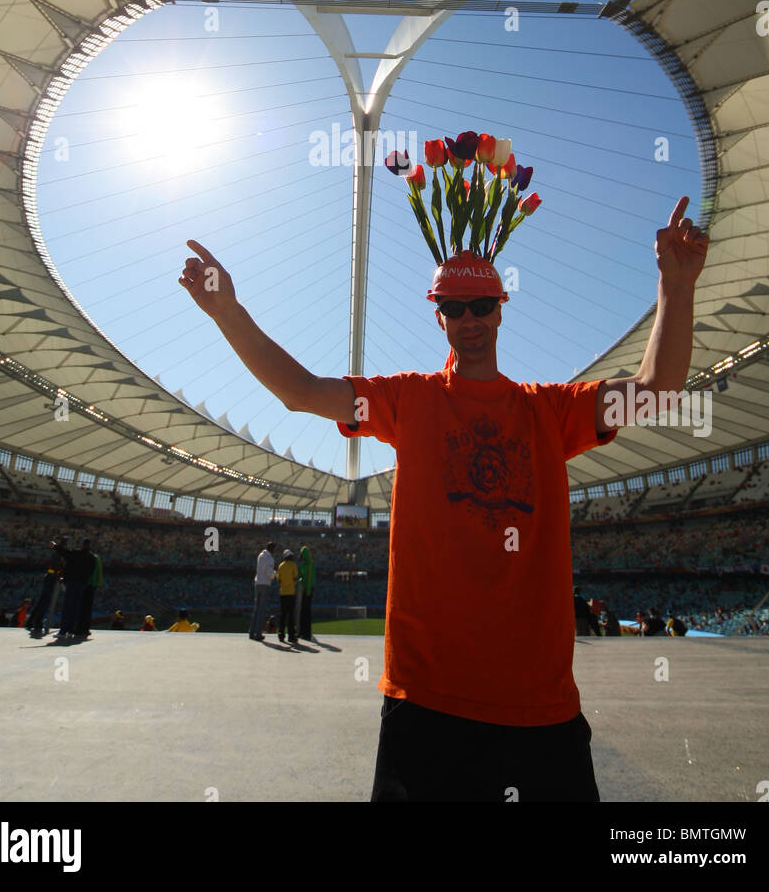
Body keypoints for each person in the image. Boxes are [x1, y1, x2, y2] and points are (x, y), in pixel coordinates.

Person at [180, 184, 708, 803]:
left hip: (538, 709)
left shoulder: (550, 410)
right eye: (455, 308)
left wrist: (676, 284)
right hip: (425, 702)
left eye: (482, 304)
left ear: (502, 309)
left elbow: (658, 390)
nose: (470, 320)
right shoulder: (408, 400)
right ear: (437, 315)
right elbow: (300, 390)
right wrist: (227, 313)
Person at [28, 539, 68, 636]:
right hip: (51, 579)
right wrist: (60, 575)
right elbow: (56, 568)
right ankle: (37, 622)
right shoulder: (58, 556)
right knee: (45, 602)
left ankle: (33, 621)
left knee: (43, 601)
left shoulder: (57, 555)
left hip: (51, 578)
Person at [58, 538, 96, 640]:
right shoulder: (92, 558)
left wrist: (55, 546)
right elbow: (91, 571)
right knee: (76, 608)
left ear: (82, 545)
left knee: (67, 607)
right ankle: (71, 630)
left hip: (71, 582)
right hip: (82, 583)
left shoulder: (76, 554)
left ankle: (63, 631)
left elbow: (65, 553)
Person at [249, 540, 276, 641]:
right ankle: (258, 634)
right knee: (261, 610)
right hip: (265, 584)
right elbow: (269, 573)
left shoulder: (260, 555)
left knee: (256, 610)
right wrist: (274, 574)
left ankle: (251, 632)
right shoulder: (270, 558)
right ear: (272, 548)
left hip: (257, 583)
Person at [75, 548, 103, 638]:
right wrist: (98, 583)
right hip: (91, 585)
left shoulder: (82, 557)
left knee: (80, 607)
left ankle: (78, 628)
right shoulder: (96, 558)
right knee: (87, 608)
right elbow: (99, 572)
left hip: (83, 584)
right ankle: (85, 628)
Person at [276, 549, 299, 645]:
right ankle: (291, 636)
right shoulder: (293, 565)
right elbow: (296, 578)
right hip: (291, 593)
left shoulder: (280, 566)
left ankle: (281, 635)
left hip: (282, 593)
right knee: (291, 616)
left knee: (282, 615)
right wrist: (292, 584)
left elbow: (279, 580)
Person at [297, 544, 316, 641]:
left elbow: (310, 579)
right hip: (304, 590)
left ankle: (306, 633)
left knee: (306, 613)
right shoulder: (304, 564)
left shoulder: (310, 565)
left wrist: (308, 591)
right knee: (303, 612)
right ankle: (301, 632)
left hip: (307, 590)